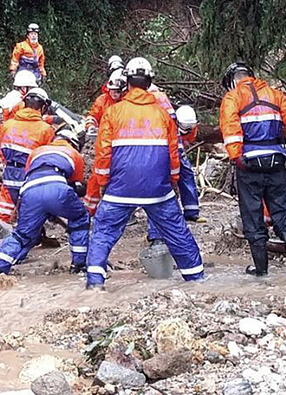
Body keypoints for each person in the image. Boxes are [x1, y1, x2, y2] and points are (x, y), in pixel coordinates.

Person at [84, 58, 204, 289]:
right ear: (150, 83)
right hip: (157, 190)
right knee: (178, 234)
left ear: (127, 83)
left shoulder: (113, 112)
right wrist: (173, 181)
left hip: (120, 188)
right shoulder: (163, 115)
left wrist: (103, 183)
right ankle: (197, 281)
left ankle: (95, 284)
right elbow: (173, 155)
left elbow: (103, 153)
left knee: (103, 233)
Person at [219, 61, 286, 276]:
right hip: (276, 162)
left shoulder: (233, 97)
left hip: (249, 165)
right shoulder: (274, 94)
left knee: (252, 216)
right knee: (284, 213)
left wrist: (235, 155)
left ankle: (261, 270)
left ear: (232, 80)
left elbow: (230, 127)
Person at [0, 125, 90, 279]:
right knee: (80, 219)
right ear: (73, 142)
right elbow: (75, 185)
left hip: (29, 191)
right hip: (57, 188)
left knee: (22, 234)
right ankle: (79, 264)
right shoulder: (74, 154)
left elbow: (32, 175)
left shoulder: (37, 151)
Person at [0, 88, 57, 222]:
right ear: (43, 106)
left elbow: (2, 150)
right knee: (29, 211)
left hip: (9, 171)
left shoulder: (8, 124)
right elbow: (45, 158)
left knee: (5, 206)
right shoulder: (46, 130)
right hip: (30, 175)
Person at [82, 69, 126, 213]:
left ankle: (121, 210)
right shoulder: (102, 100)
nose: (114, 93)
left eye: (117, 91)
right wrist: (91, 126)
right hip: (104, 144)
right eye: (112, 90)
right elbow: (93, 115)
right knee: (97, 176)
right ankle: (89, 210)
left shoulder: (127, 103)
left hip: (122, 145)